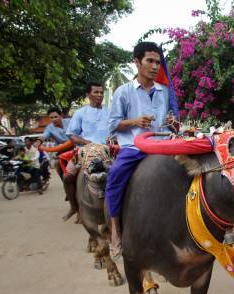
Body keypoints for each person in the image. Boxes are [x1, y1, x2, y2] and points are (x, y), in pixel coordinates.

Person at [106, 41, 175, 258]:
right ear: (137, 62)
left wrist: (172, 122)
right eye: (150, 61)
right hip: (133, 147)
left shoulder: (164, 92)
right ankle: (115, 230)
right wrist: (135, 121)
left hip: (162, 144)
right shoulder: (123, 92)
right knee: (115, 177)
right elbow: (112, 125)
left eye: (157, 62)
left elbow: (167, 122)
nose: (155, 66)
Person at [59, 82, 110, 221]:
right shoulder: (80, 113)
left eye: (101, 92)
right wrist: (86, 142)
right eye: (96, 92)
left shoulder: (110, 112)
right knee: (68, 177)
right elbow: (71, 134)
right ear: (88, 95)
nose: (99, 95)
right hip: (84, 152)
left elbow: (118, 129)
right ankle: (73, 207)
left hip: (108, 151)